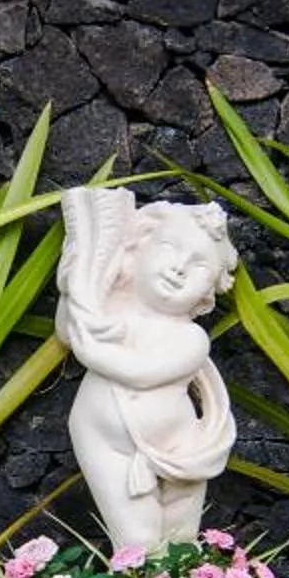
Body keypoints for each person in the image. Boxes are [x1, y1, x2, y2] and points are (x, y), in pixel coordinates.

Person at [56, 189, 240, 550]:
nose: (178, 268)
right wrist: (76, 278)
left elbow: (140, 372)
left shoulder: (190, 338)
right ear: (137, 248)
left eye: (200, 266)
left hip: (180, 451)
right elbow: (67, 328)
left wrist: (90, 348)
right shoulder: (109, 309)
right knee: (137, 540)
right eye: (169, 248)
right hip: (104, 441)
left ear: (209, 292)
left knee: (179, 543)